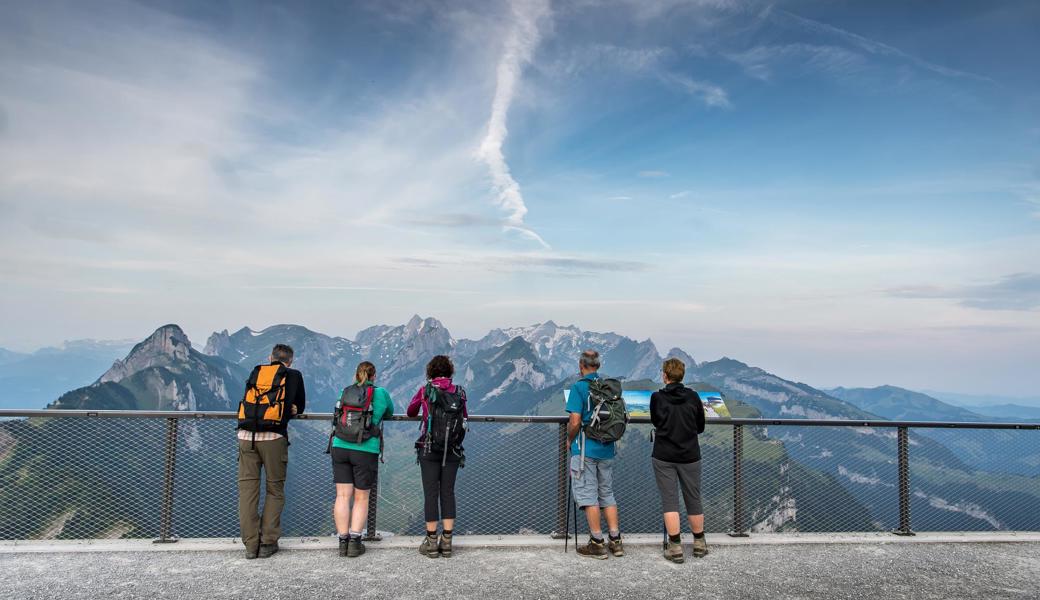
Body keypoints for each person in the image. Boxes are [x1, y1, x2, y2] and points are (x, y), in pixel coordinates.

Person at [236, 343, 306, 559]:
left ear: (270, 357)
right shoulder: (293, 375)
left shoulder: (257, 371)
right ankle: (267, 543)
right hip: (274, 438)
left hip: (246, 437)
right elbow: (299, 406)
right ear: (290, 361)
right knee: (275, 489)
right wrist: (291, 408)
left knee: (247, 491)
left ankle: (250, 545)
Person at [407, 355, 468, 558]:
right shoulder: (459, 392)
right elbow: (465, 417)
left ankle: (432, 543)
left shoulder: (426, 390)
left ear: (430, 372)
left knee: (431, 494)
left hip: (429, 448)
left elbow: (410, 411)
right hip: (452, 449)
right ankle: (447, 542)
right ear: (450, 372)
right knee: (448, 493)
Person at [331, 361, 394, 558]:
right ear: (373, 376)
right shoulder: (380, 393)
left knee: (342, 496)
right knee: (361, 497)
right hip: (365, 449)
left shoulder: (345, 391)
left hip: (340, 445)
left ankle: (342, 542)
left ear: (356, 375)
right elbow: (389, 412)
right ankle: (355, 543)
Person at [566, 349, 623, 559]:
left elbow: (574, 421)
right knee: (607, 493)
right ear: (597, 366)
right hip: (607, 448)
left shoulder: (579, 388)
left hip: (584, 450)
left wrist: (569, 439)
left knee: (588, 495)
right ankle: (616, 541)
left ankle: (597, 542)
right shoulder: (608, 387)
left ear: (581, 365)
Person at [651, 357, 708, 563]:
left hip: (664, 455)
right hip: (690, 455)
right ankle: (699, 543)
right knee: (693, 498)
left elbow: (656, 421)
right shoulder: (693, 397)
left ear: (664, 375)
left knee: (670, 501)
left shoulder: (657, 397)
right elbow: (700, 426)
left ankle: (675, 547)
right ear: (682, 375)